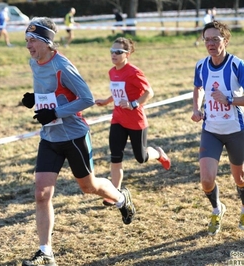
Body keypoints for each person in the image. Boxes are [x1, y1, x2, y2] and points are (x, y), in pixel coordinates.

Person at [21, 17, 136, 266]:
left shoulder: (62, 64)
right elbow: (54, 94)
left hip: (73, 135)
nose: (28, 45)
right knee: (41, 193)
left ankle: (120, 198)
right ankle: (45, 252)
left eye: (32, 40)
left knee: (88, 186)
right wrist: (36, 99)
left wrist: (55, 112)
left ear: (46, 42)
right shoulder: (34, 61)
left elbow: (86, 98)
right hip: (49, 136)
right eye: (26, 40)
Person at [191, 20, 244, 235]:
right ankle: (217, 208)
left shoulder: (237, 65)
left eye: (215, 39)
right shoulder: (201, 65)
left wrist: (229, 98)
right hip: (211, 130)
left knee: (239, 177)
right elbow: (198, 87)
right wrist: (196, 108)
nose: (210, 43)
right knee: (206, 180)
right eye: (207, 39)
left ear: (226, 41)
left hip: (236, 132)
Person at [95, 37, 171, 206]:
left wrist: (133, 104)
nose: (113, 55)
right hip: (118, 120)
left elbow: (149, 92)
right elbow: (118, 93)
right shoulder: (112, 71)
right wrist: (107, 101)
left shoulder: (133, 72)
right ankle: (114, 194)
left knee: (141, 157)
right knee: (115, 156)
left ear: (127, 54)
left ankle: (158, 153)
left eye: (118, 52)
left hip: (136, 121)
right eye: (112, 51)